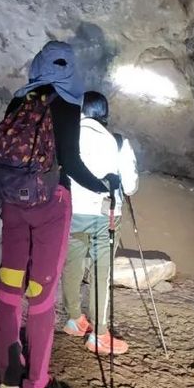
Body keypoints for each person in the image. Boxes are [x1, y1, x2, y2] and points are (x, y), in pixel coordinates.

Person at [0, 41, 117, 388]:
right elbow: (72, 163)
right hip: (50, 203)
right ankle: (36, 385)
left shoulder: (19, 101)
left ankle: (10, 374)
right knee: (41, 293)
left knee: (9, 285)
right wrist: (103, 185)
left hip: (13, 203)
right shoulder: (65, 104)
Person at [61, 91, 139, 355]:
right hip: (104, 216)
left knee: (72, 264)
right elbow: (130, 186)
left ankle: (74, 319)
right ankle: (99, 334)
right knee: (100, 272)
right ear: (104, 113)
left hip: (70, 212)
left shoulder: (67, 137)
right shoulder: (117, 142)